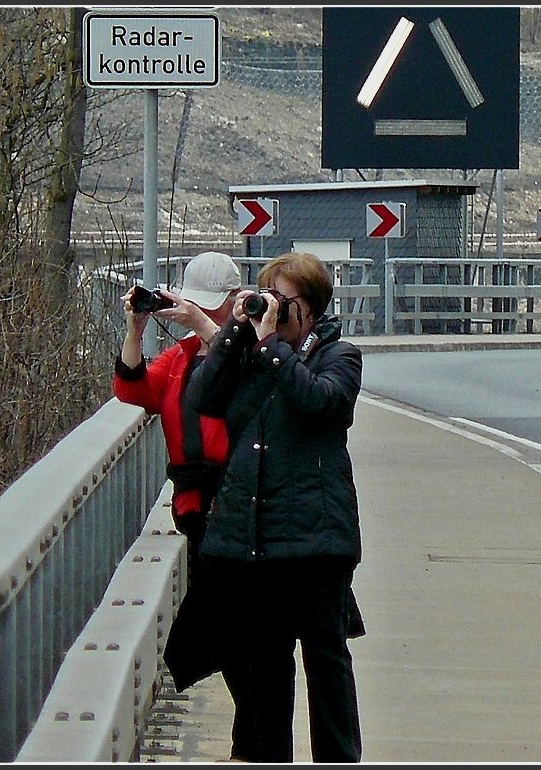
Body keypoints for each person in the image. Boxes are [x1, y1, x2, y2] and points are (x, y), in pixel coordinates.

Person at [185, 251, 364, 763]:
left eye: (281, 301)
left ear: (308, 307)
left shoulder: (340, 356)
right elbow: (203, 398)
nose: (272, 309)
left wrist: (271, 347)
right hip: (256, 540)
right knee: (265, 671)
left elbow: (322, 404)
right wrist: (233, 334)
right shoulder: (248, 353)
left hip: (317, 539)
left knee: (327, 664)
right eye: (267, 297)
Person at [111, 250, 260, 759]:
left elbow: (243, 370)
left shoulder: (251, 351)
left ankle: (254, 738)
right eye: (200, 308)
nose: (204, 315)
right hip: (197, 510)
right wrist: (135, 329)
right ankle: (252, 735)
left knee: (234, 630)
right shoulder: (177, 361)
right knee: (222, 629)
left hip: (239, 509)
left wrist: (204, 324)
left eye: (212, 309)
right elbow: (133, 390)